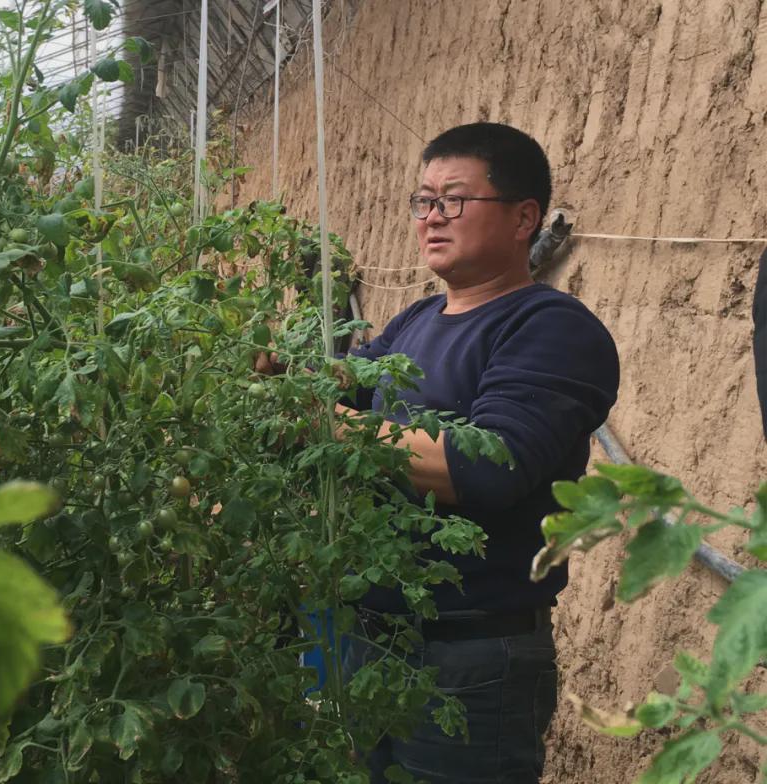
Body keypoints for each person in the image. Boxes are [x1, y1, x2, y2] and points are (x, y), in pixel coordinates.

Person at [261, 123, 620, 783]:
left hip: (470, 662)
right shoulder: (416, 321)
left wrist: (322, 423)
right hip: (367, 642)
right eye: (422, 201)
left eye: (453, 200)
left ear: (524, 217)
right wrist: (274, 371)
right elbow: (344, 381)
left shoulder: (552, 329)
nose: (431, 218)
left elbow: (487, 468)